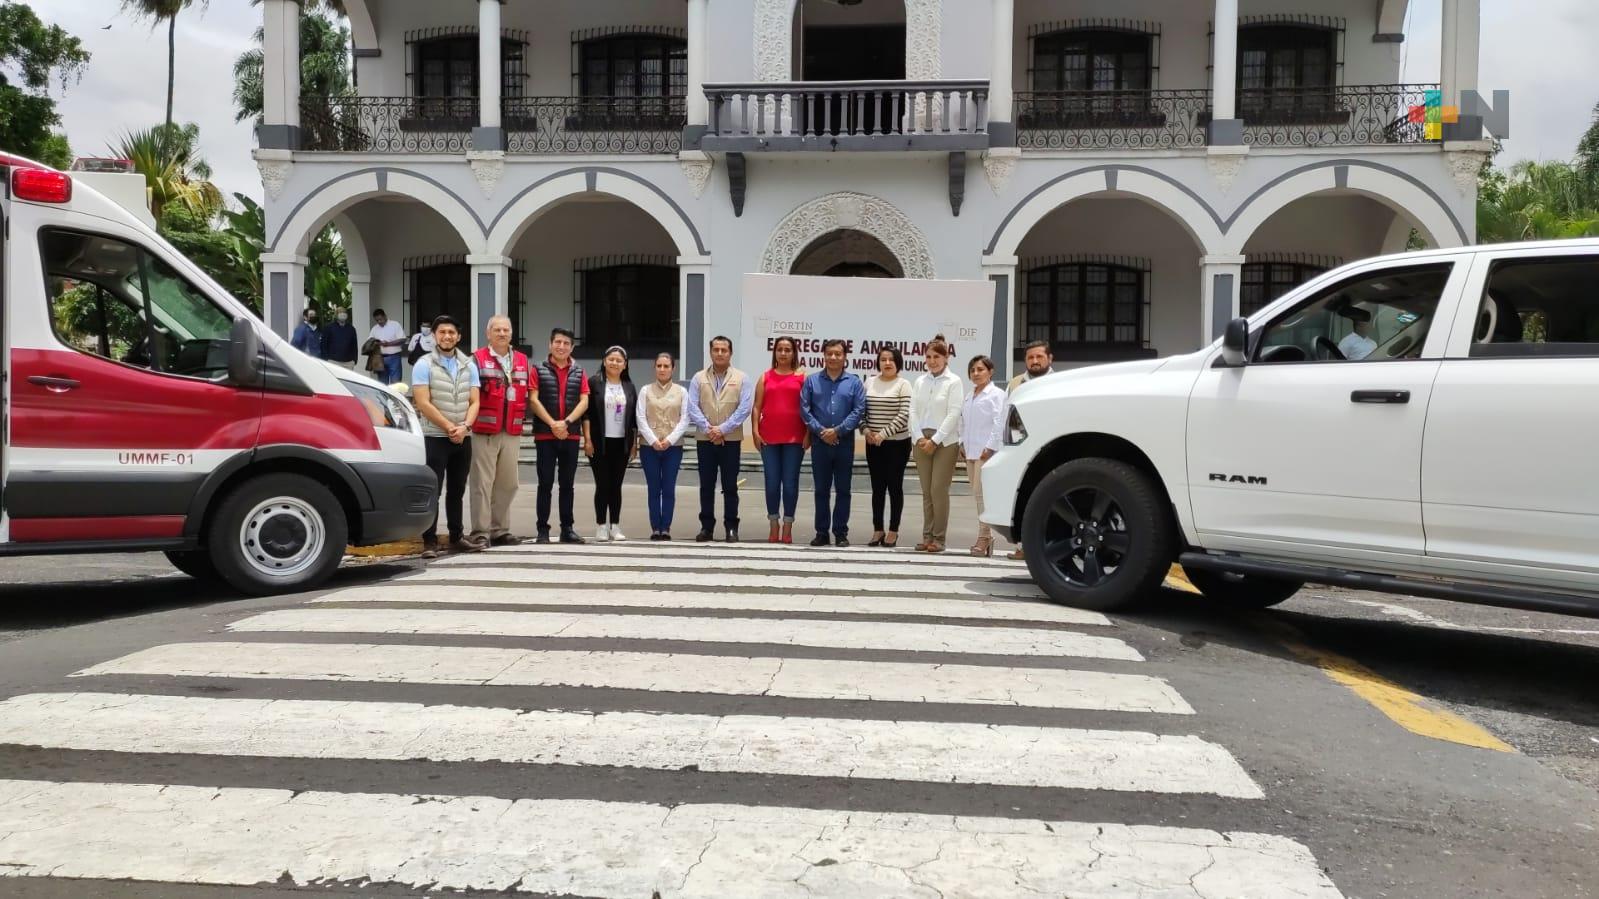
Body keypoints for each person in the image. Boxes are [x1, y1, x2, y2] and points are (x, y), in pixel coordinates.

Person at [411, 315, 482, 559]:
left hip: (463, 437)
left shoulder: (469, 365)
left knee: (457, 490)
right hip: (434, 436)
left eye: (451, 332)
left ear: (458, 337)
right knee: (434, 489)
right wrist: (449, 426)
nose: (447, 336)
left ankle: (456, 536)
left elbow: (475, 401)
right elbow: (422, 401)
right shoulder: (424, 364)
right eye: (442, 332)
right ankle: (429, 540)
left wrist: (464, 426)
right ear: (434, 335)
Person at [467, 315, 529, 549]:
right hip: (485, 430)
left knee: (508, 483)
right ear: (488, 333)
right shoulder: (477, 359)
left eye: (506, 330)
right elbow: (470, 395)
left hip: (511, 429)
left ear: (512, 333)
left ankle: (500, 530)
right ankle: (480, 532)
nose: (502, 334)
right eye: (497, 330)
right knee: (482, 483)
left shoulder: (522, 360)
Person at [800, 339, 867, 548]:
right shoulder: (811, 381)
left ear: (845, 356)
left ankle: (840, 532)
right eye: (830, 353)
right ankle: (821, 532)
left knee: (843, 490)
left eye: (838, 354)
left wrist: (837, 431)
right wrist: (821, 431)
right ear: (824, 355)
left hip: (844, 442)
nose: (833, 358)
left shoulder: (854, 382)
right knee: (821, 489)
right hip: (820, 443)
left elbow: (859, 411)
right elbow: (804, 409)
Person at [686, 336, 753, 543]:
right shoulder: (699, 378)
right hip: (705, 440)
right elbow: (692, 407)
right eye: (716, 349)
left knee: (730, 485)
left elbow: (744, 409)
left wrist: (722, 429)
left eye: (724, 350)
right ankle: (706, 527)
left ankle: (731, 527)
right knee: (706, 485)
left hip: (731, 440)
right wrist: (709, 430)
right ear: (711, 352)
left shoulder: (742, 378)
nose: (720, 353)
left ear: (730, 353)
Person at [529, 328, 589, 545]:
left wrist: (566, 423)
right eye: (558, 342)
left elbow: (584, 401)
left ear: (572, 347)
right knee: (545, 483)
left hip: (570, 435)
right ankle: (542, 530)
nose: (561, 346)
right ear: (550, 344)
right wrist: (552, 423)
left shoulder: (579, 371)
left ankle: (567, 529)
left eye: (566, 343)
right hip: (546, 435)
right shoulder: (538, 369)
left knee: (567, 484)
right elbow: (533, 400)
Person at [910, 334, 964, 554]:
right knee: (926, 492)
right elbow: (912, 411)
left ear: (946, 357)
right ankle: (927, 536)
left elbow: (954, 413)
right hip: (921, 441)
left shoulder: (954, 381)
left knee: (938, 490)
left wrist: (935, 439)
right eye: (929, 357)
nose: (932, 361)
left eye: (937, 357)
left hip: (945, 442)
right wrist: (918, 437)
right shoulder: (920, 381)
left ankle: (939, 538)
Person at [753, 336, 806, 544]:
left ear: (794, 353)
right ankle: (773, 523)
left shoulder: (802, 377)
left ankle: (788, 525)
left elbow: (808, 409)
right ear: (774, 352)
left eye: (788, 350)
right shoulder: (765, 377)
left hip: (795, 438)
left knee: (791, 484)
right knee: (772, 483)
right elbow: (757, 406)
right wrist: (755, 431)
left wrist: (809, 433)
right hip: (769, 438)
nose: (783, 353)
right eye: (780, 349)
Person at [584, 346, 638, 542]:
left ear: (625, 365)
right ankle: (601, 525)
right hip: (600, 442)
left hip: (622, 443)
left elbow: (633, 419)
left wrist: (634, 443)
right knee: (602, 484)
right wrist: (588, 440)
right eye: (611, 359)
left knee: (616, 485)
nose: (615, 363)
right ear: (604, 361)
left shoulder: (629, 386)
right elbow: (587, 414)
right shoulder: (594, 383)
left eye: (619, 360)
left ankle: (615, 525)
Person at [1005, 339, 1053, 560]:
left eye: (1039, 357)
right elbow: (1006, 415)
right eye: (1030, 357)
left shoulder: (1060, 382)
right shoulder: (1016, 383)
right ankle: (1024, 546)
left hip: (1051, 450)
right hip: (1021, 450)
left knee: (1050, 500)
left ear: (1049, 359)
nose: (1034, 361)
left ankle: (1049, 546)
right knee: (1024, 498)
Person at [863, 347, 913, 549]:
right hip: (873, 443)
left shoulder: (904, 384)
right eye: (883, 359)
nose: (887, 363)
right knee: (877, 488)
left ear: (898, 363)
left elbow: (904, 415)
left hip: (897, 444)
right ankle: (878, 529)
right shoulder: (869, 382)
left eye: (891, 360)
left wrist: (883, 434)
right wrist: (866, 431)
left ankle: (893, 530)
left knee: (894, 487)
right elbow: (861, 410)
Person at [637, 352, 689, 541]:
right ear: (654, 368)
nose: (662, 369)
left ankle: (665, 526)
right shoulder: (645, 390)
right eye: (659, 366)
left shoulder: (682, 392)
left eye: (666, 366)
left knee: (668, 487)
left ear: (673, 369)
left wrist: (669, 440)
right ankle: (655, 527)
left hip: (673, 447)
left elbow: (685, 419)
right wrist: (652, 440)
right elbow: (640, 417)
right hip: (648, 447)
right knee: (653, 487)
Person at [961, 355, 1006, 557]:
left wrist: (990, 447)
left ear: (990, 371)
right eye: (973, 370)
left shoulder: (996, 394)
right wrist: (962, 441)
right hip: (970, 451)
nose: (976, 373)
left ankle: (984, 537)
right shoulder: (969, 395)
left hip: (985, 452)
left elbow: (999, 422)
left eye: (980, 369)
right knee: (977, 495)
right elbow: (963, 421)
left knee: (981, 495)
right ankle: (985, 536)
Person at [369, 309, 407, 385]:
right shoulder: (374, 328)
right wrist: (376, 343)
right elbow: (370, 341)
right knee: (382, 383)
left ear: (385, 316)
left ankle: (395, 397)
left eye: (381, 319)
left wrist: (388, 344)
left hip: (394, 357)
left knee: (396, 383)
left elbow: (403, 339)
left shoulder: (395, 325)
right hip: (380, 358)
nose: (379, 321)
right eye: (377, 320)